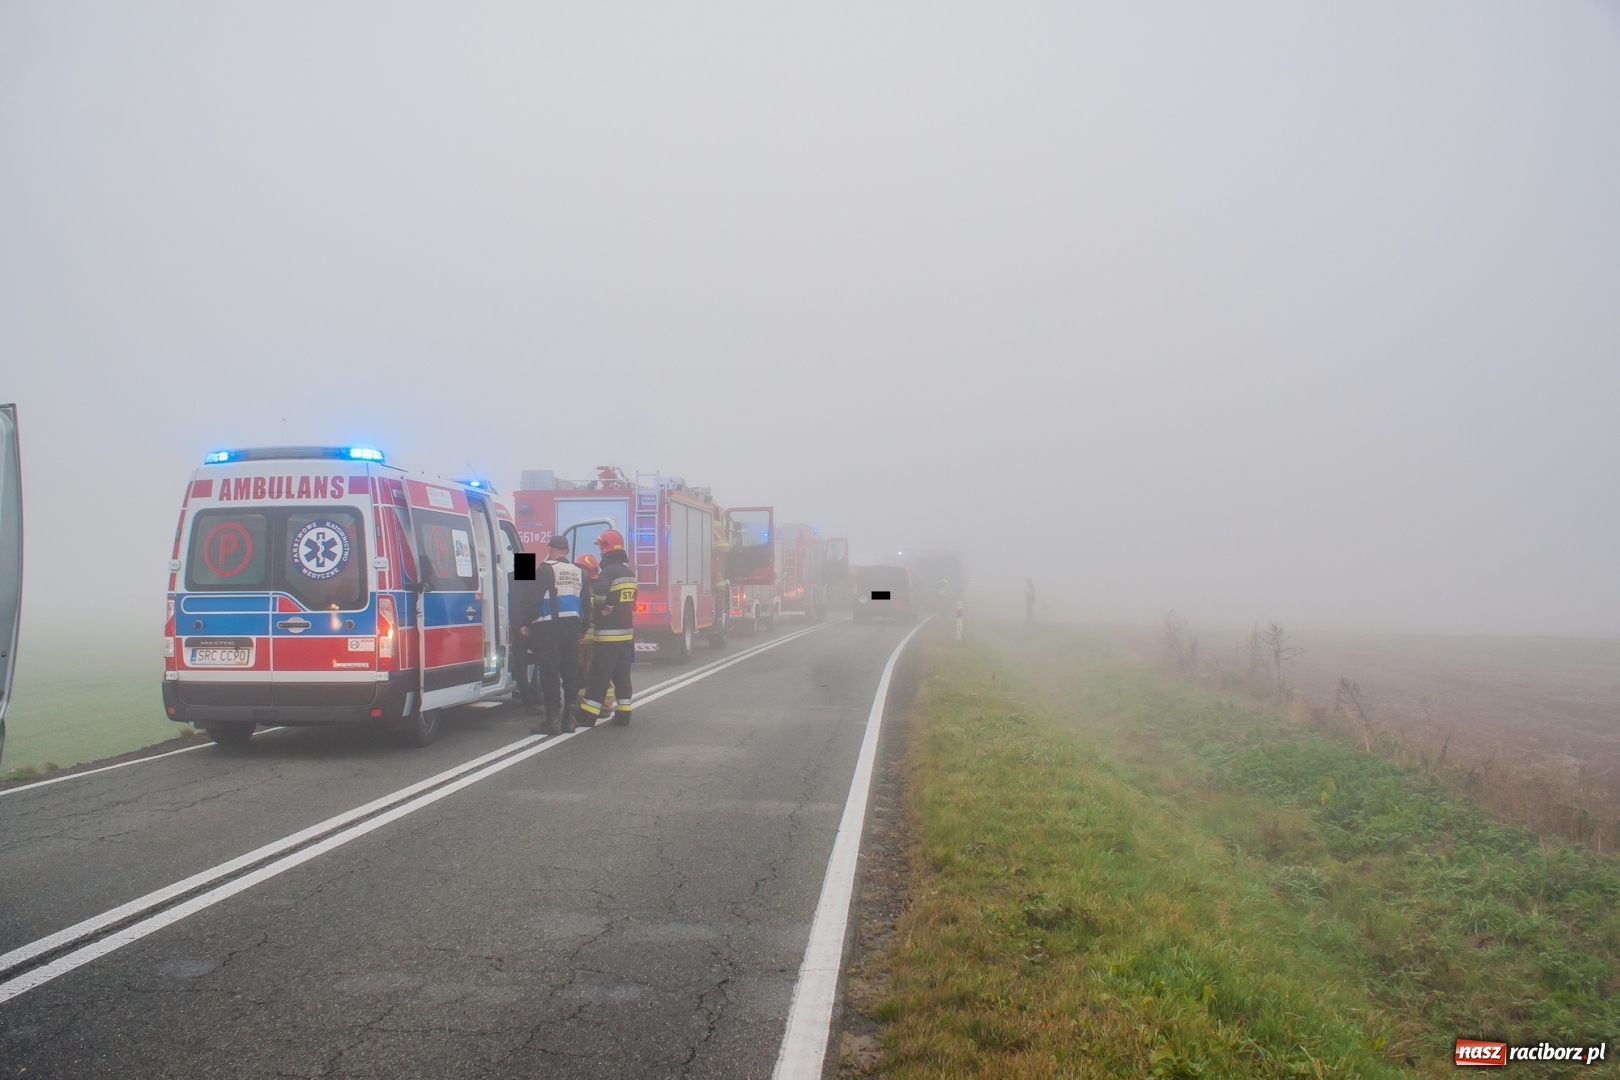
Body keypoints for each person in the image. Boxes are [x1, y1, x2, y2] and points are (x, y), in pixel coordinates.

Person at [579, 528, 636, 727]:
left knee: (598, 675)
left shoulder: (608, 572)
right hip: (625, 634)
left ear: (606, 548)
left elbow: (600, 594)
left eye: (601, 547)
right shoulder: (629, 573)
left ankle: (587, 717)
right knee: (622, 676)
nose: (600, 552)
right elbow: (632, 600)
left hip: (608, 635)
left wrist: (603, 607)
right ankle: (623, 715)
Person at [534, 534, 587, 735]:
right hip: (572, 627)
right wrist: (582, 629)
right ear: (566, 551)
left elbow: (533, 598)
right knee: (570, 672)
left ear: (552, 549)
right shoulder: (578, 571)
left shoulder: (545, 568)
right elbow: (585, 601)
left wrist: (524, 623)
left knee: (549, 672)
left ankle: (552, 721)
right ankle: (570, 721)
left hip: (549, 626)